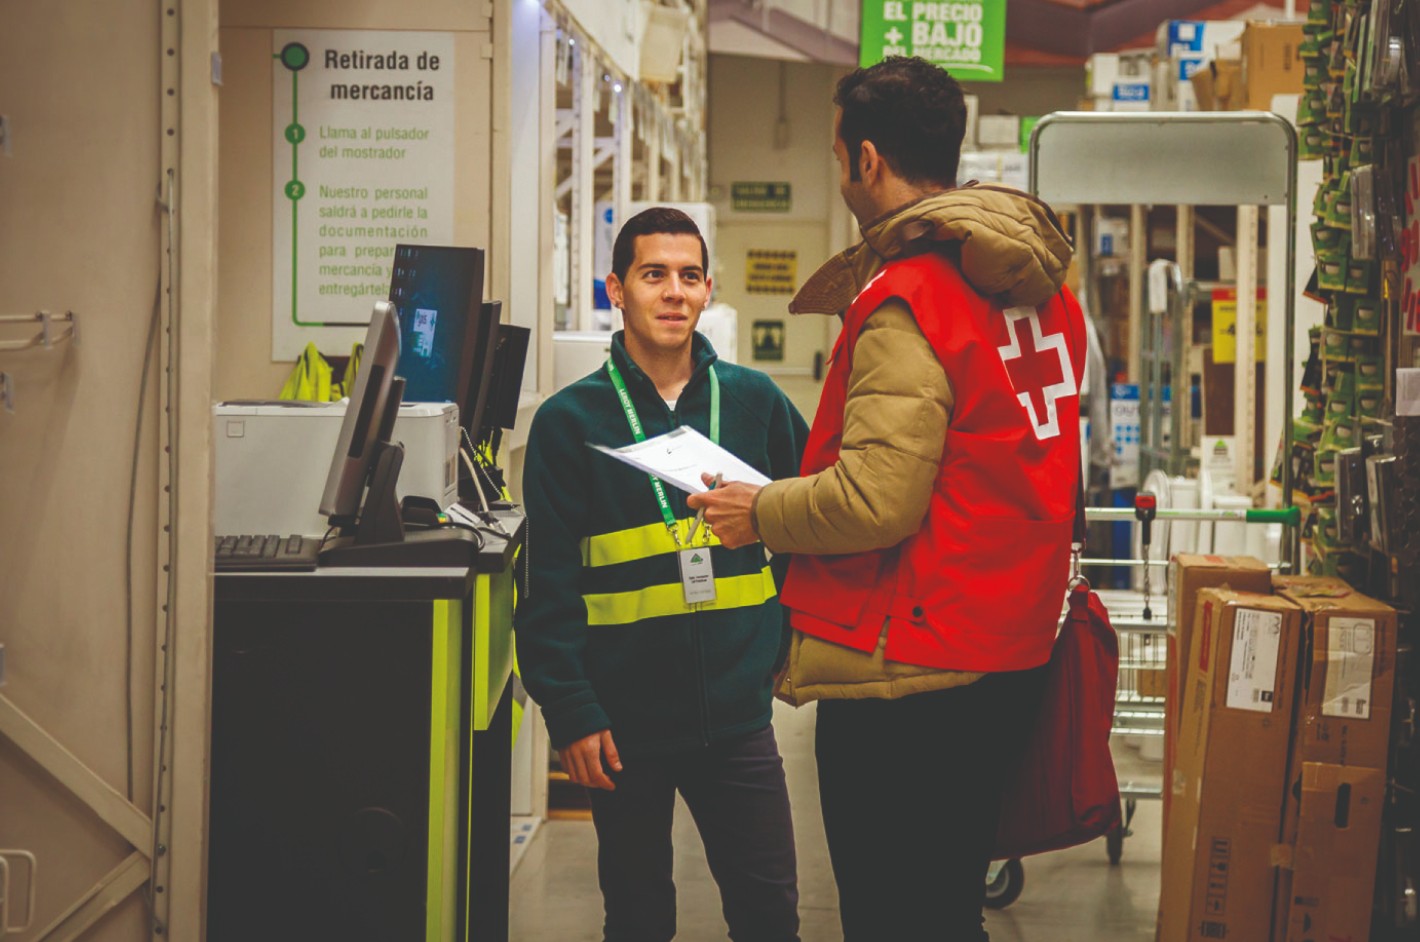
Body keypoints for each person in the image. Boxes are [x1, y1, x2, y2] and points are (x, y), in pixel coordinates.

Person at [688, 57, 1085, 941]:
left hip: (917, 656)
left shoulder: (912, 298)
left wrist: (760, 509)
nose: (840, 175)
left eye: (838, 156)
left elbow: (877, 501)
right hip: (1012, 638)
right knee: (945, 905)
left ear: (867, 159)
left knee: (891, 911)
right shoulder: (1044, 294)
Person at [515, 207, 808, 942]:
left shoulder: (753, 403)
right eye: (654, 275)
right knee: (639, 915)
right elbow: (548, 584)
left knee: (769, 910)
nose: (673, 292)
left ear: (708, 289)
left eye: (688, 276)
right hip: (622, 727)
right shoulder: (569, 422)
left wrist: (784, 645)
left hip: (738, 720)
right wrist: (572, 710)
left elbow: (813, 524)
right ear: (617, 288)